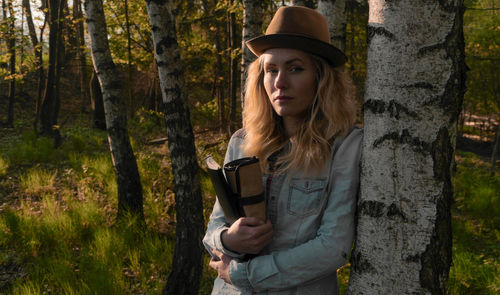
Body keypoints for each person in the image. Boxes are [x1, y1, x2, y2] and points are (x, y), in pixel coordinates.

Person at [203, 5, 362, 295]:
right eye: (271, 70)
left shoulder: (345, 146)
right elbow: (213, 229)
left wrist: (244, 274)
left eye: (295, 68)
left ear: (321, 77)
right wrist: (228, 240)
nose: (280, 82)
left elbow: (333, 247)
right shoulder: (241, 141)